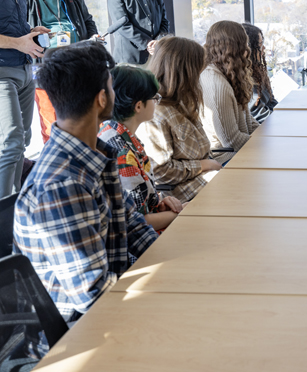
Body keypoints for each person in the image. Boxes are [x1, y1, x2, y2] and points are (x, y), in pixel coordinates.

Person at [13, 41, 157, 324]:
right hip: (80, 331)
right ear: (102, 98)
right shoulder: (62, 184)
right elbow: (93, 296)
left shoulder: (95, 156)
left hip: (112, 304)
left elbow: (136, 231)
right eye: (112, 87)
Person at [26, 0, 101, 143]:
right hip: (46, 66)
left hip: (78, 61)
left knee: (85, 116)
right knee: (52, 121)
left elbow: (87, 19)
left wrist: (93, 38)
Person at [98, 66, 185, 232]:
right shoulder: (121, 152)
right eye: (154, 98)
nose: (156, 102)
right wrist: (181, 212)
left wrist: (159, 204)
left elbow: (140, 204)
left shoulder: (114, 131)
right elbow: (139, 222)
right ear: (138, 106)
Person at [137, 36, 221, 202]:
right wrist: (203, 165)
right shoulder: (155, 114)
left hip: (205, 177)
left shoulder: (182, 101)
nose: (200, 76)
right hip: (180, 193)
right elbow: (160, 171)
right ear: (185, 72)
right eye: (198, 70)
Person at [0, 0, 48, 199]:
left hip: (24, 70)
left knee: (24, 141)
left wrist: (30, 32)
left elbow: (11, 25)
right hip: (2, 73)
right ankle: (5, 216)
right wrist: (19, 43)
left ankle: (18, 205)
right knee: (11, 141)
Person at [200, 21, 259, 160]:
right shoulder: (216, 85)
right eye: (244, 44)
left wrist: (268, 136)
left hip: (239, 152)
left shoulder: (228, 73)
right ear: (234, 48)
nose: (247, 50)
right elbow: (231, 141)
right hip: (225, 159)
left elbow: (248, 121)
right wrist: (266, 143)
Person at [243, 23, 277, 123]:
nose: (264, 48)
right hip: (263, 128)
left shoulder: (258, 70)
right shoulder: (244, 76)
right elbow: (257, 114)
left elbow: (271, 101)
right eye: (260, 44)